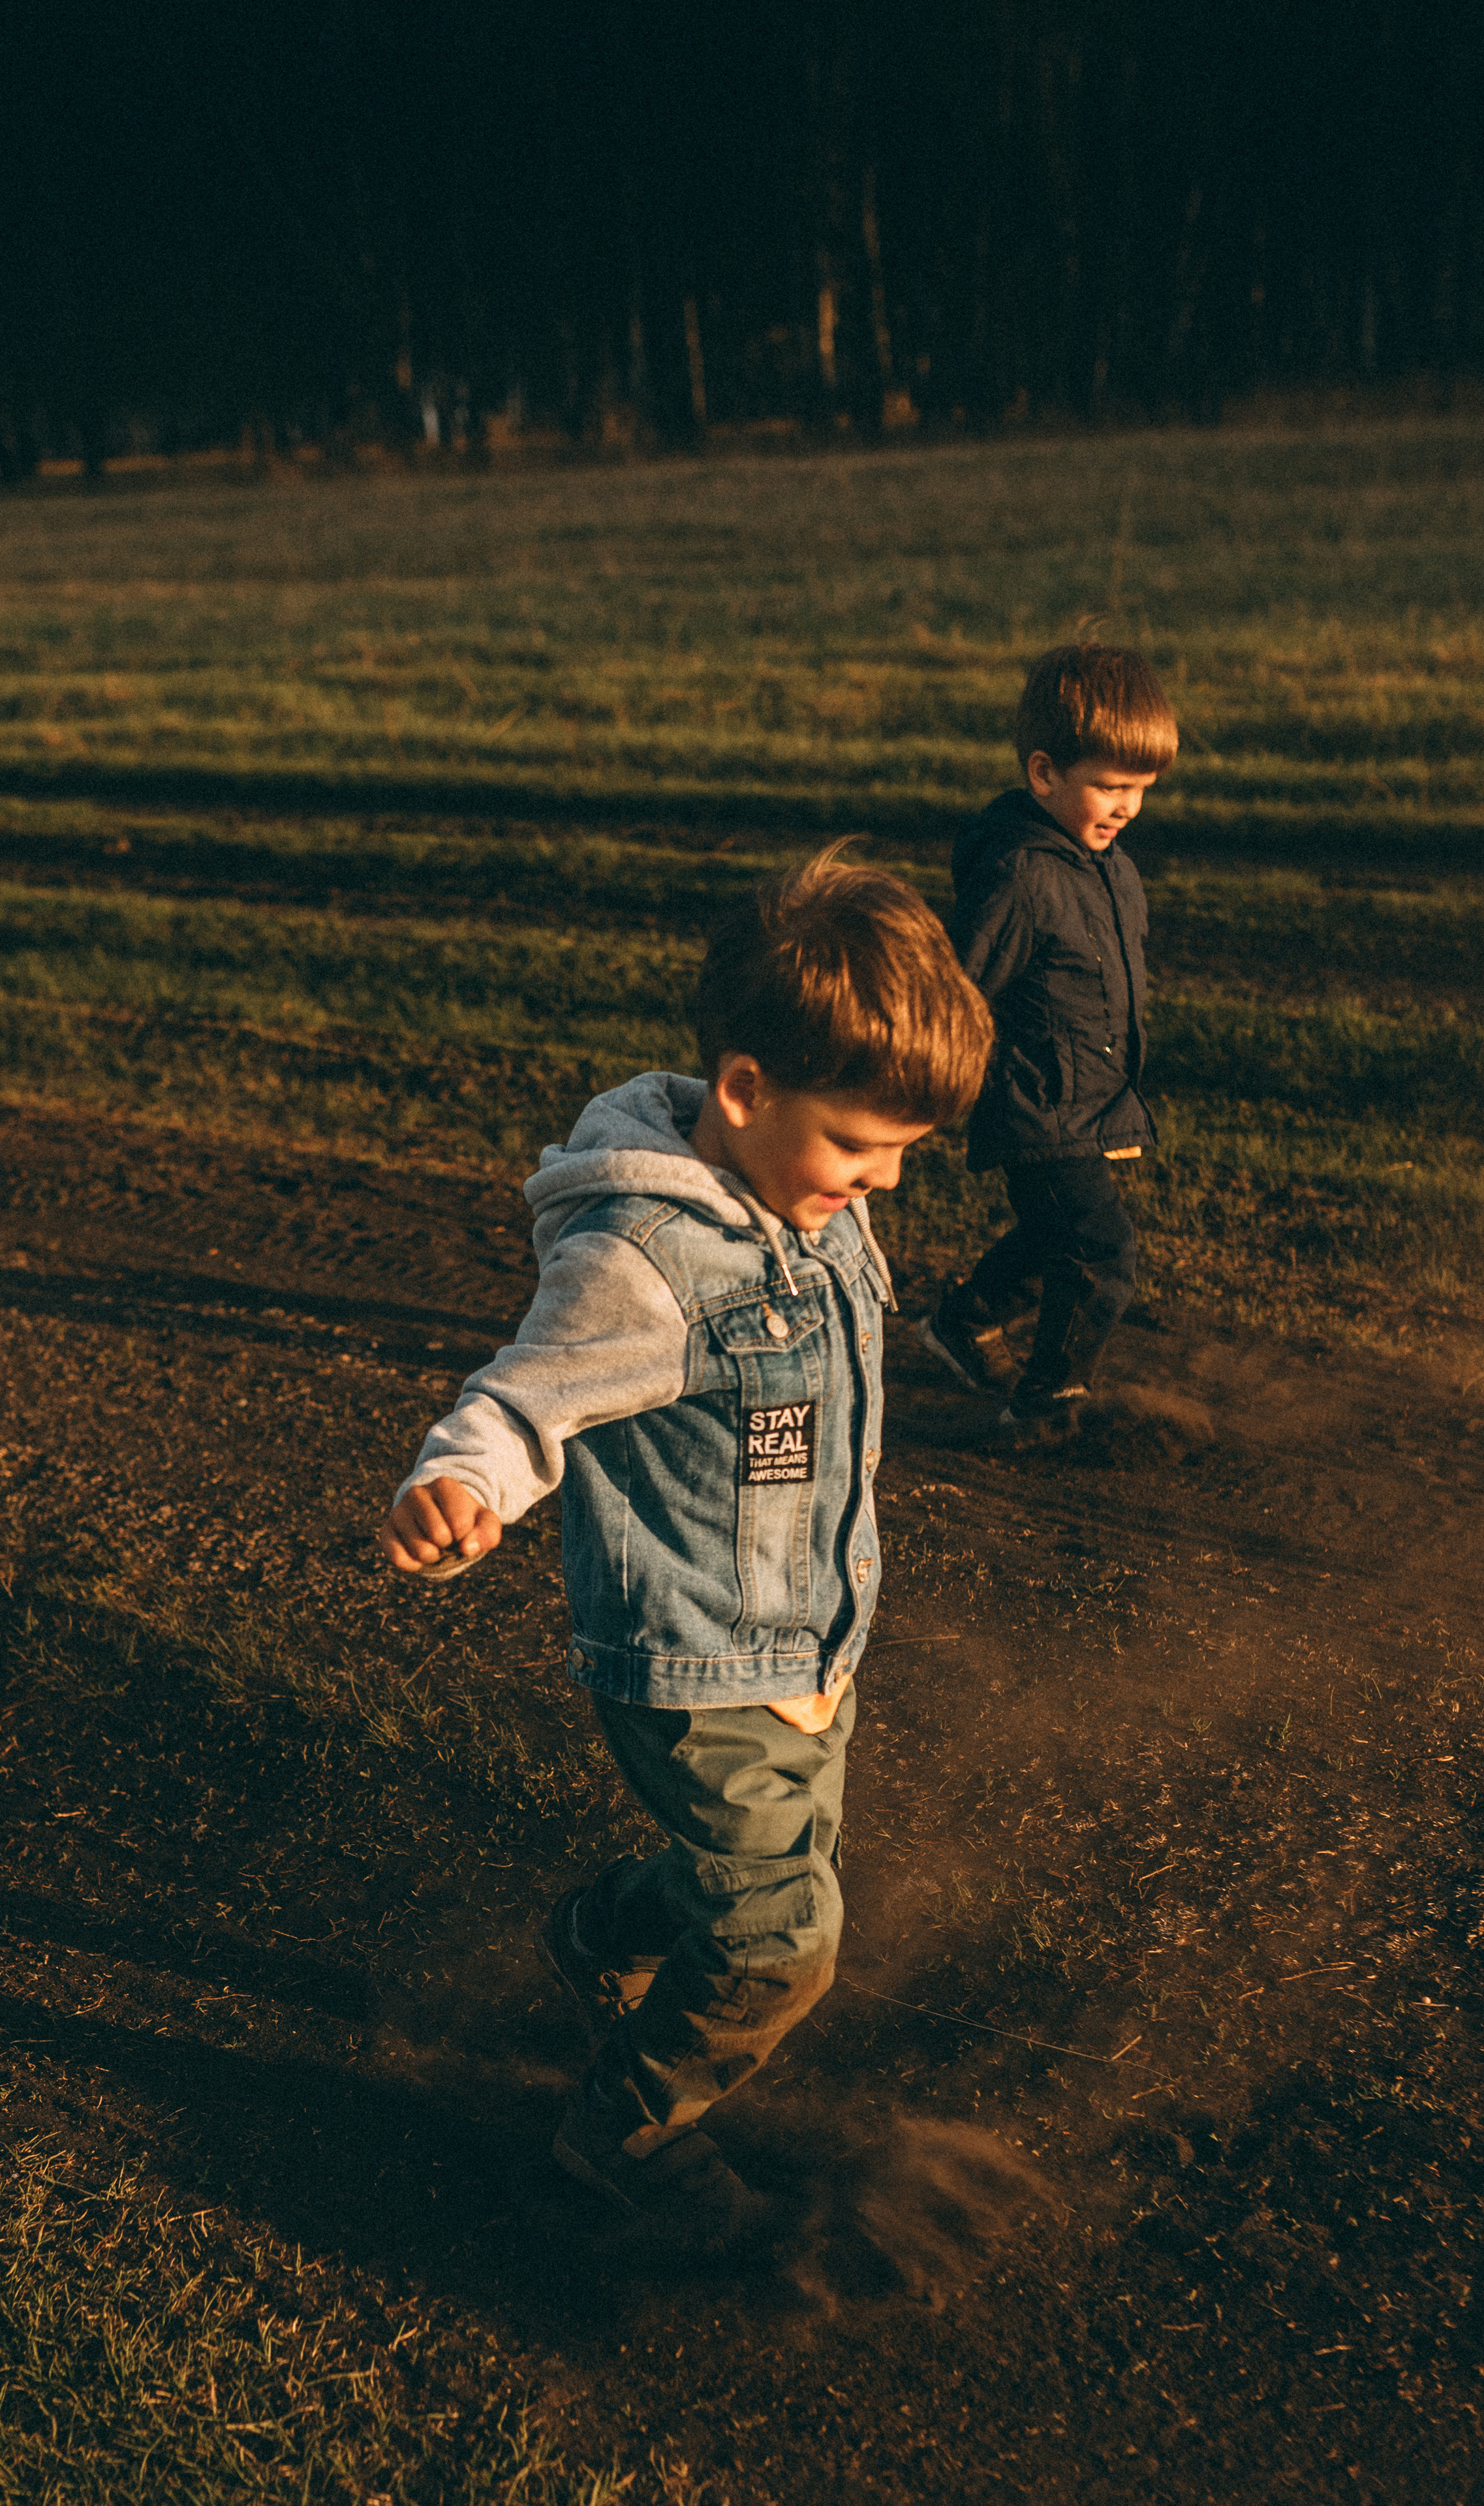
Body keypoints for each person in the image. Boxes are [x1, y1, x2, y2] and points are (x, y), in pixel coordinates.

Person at [377, 848, 992, 2241]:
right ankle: (626, 2132)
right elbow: (520, 1395)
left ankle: (602, 1935)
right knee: (783, 1938)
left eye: (905, 1153)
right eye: (862, 1145)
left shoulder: (800, 1198)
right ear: (741, 1091)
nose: (884, 1182)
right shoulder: (643, 1262)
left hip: (805, 1640)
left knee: (775, 1862)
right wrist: (458, 1484)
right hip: (694, 1665)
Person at [921, 643, 1179, 1442]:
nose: (1127, 805)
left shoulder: (1111, 869)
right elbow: (957, 989)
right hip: (1034, 1104)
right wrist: (921, 1083)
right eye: (1109, 785)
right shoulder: (1020, 877)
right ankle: (1047, 1402)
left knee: (1050, 1239)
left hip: (1088, 1102)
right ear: (1043, 774)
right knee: (1100, 1253)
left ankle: (963, 1322)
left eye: (1140, 788)